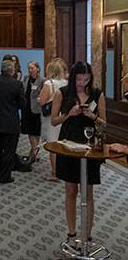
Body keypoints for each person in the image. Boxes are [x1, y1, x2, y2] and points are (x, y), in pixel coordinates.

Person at [51, 61, 106, 244]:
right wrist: (70, 114)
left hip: (89, 146)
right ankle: (72, 234)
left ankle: (87, 236)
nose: (82, 83)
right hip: (68, 144)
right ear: (72, 77)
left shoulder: (97, 95)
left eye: (86, 79)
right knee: (70, 190)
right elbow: (54, 121)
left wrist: (93, 116)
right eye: (79, 79)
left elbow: (104, 123)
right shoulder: (63, 93)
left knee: (87, 191)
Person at [0, 60, 26, 184]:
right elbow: (23, 103)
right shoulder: (17, 84)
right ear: (12, 71)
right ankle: (5, 176)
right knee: (9, 150)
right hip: (11, 122)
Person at [38, 61, 68, 182]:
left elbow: (43, 101)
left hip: (51, 117)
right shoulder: (66, 83)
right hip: (63, 116)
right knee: (62, 143)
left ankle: (55, 172)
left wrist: (38, 98)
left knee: (53, 145)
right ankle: (63, 169)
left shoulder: (48, 83)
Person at [21, 61, 43, 158]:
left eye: (32, 68)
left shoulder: (42, 81)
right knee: (30, 131)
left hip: (37, 109)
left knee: (36, 131)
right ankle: (34, 151)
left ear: (37, 68)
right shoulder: (26, 79)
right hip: (26, 108)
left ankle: (33, 149)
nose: (30, 70)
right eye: (29, 68)